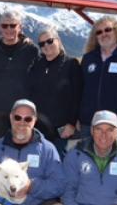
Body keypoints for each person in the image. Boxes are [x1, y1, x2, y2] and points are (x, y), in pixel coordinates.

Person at [27, 25, 82, 158]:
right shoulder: (37, 65)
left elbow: (77, 97)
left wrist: (71, 124)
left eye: (50, 41)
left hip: (60, 127)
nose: (46, 45)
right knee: (37, 160)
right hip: (38, 126)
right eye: (42, 43)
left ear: (58, 41)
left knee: (57, 161)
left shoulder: (71, 64)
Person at [0, 10, 38, 145]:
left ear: (20, 27)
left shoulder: (31, 50)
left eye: (13, 25)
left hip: (22, 112)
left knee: (23, 146)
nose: (8, 29)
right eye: (5, 26)